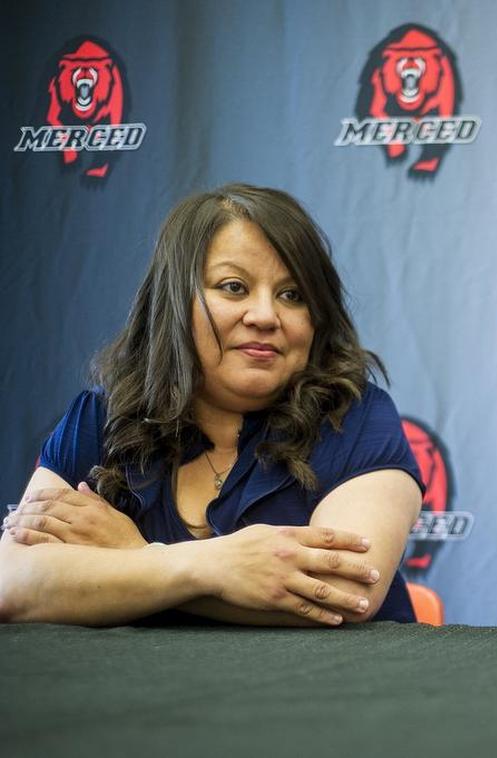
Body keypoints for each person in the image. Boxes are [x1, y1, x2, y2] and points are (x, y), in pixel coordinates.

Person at [0, 184, 423, 627]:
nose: (264, 315)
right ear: (174, 303)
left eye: (292, 295)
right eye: (234, 287)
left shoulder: (356, 418)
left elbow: (342, 592)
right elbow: (14, 584)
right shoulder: (99, 420)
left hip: (333, 691)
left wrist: (132, 555)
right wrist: (208, 567)